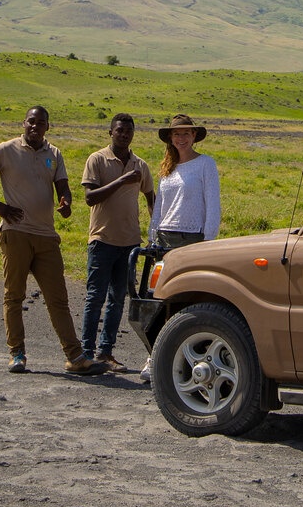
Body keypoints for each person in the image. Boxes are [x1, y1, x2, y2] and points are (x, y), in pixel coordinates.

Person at [0, 106, 104, 376]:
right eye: (31, 122)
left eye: (41, 123)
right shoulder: (5, 150)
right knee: (14, 296)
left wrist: (66, 203)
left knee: (58, 299)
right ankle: (17, 354)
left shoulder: (54, 154)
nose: (35, 127)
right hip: (15, 233)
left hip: (46, 236)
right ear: (23, 123)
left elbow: (63, 187)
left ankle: (75, 357)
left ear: (48, 127)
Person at [79, 112, 155, 372]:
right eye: (120, 130)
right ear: (110, 132)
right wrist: (121, 181)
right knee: (95, 297)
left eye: (129, 131)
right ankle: (85, 352)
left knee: (117, 300)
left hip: (130, 241)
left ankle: (106, 353)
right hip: (102, 239)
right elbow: (90, 198)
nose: (124, 135)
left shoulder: (140, 165)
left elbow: (150, 197)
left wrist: (154, 227)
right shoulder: (97, 160)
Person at [149, 113, 219, 249]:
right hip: (164, 236)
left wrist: (208, 239)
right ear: (171, 137)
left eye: (186, 133)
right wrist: (152, 237)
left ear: (193, 135)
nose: (181, 139)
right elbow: (159, 205)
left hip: (191, 237)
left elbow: (213, 205)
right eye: (176, 134)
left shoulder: (205, 163)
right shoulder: (168, 166)